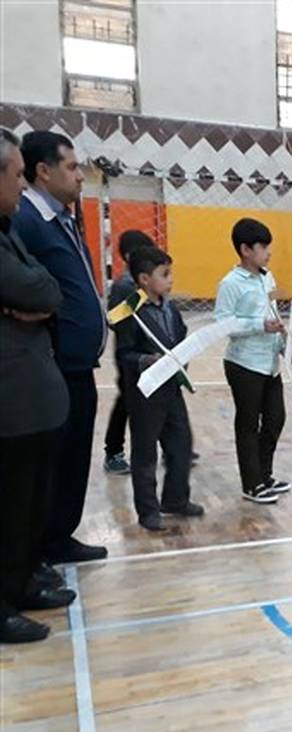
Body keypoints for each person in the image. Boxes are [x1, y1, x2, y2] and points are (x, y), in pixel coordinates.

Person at [11, 131, 108, 563]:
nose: (81, 176)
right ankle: (41, 546)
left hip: (78, 365)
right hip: (53, 365)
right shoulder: (27, 221)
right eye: (71, 167)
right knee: (50, 462)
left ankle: (58, 537)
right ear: (43, 172)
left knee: (72, 458)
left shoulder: (62, 218)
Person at [0, 127, 75, 643]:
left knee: (27, 502)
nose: (21, 185)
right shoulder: (21, 224)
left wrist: (32, 301)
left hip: (32, 396)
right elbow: (31, 285)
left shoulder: (9, 229)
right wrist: (30, 299)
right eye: (16, 176)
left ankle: (21, 583)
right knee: (9, 505)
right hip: (12, 399)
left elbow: (46, 288)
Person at [114, 246, 204, 530]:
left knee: (181, 444)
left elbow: (180, 337)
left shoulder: (171, 308)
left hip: (171, 390)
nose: (170, 279)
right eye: (164, 274)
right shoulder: (130, 312)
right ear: (144, 279)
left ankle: (175, 499)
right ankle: (148, 510)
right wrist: (145, 360)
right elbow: (124, 354)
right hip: (146, 394)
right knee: (145, 453)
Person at [214, 218, 291, 504]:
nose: (269, 253)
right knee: (248, 424)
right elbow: (223, 324)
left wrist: (284, 344)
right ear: (246, 250)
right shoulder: (230, 284)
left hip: (269, 363)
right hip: (244, 364)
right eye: (263, 247)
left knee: (275, 418)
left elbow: (273, 314)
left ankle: (265, 475)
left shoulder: (267, 278)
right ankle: (251, 483)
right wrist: (259, 325)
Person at [102, 228, 156, 475]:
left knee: (160, 398)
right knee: (127, 401)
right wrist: (141, 298)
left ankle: (175, 446)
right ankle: (113, 451)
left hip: (149, 352)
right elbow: (114, 319)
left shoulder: (149, 281)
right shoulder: (125, 285)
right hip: (129, 354)